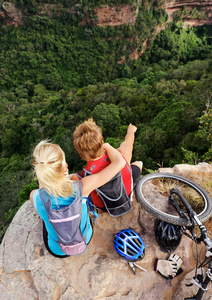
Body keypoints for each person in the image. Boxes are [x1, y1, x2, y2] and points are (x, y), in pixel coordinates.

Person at [30, 140, 125, 258]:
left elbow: (43, 189)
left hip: (58, 250)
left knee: (47, 217)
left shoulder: (36, 196)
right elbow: (120, 162)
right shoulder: (82, 187)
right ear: (65, 168)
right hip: (85, 240)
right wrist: (105, 145)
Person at [72, 119, 142, 211]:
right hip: (126, 197)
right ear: (101, 141)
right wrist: (131, 131)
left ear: (80, 152)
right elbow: (129, 141)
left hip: (105, 208)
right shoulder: (121, 156)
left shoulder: (80, 176)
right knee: (138, 163)